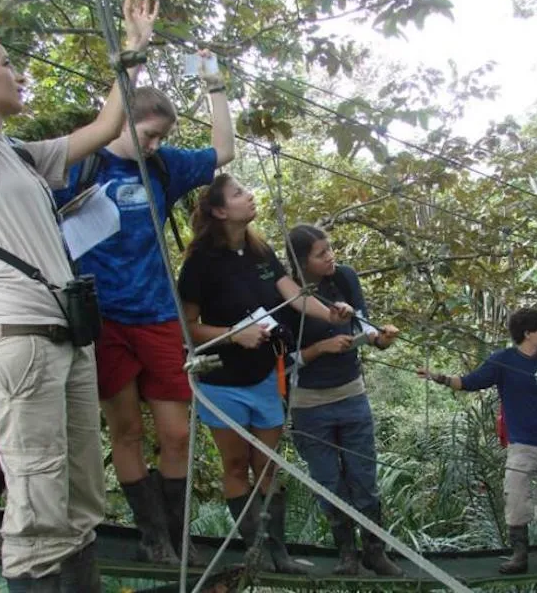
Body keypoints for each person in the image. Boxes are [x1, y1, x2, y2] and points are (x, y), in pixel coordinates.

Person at [0, 0, 158, 589]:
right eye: (6, 65)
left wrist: (133, 51)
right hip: (17, 338)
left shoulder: (19, 155)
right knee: (39, 511)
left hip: (66, 341)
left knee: (79, 501)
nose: (19, 74)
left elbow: (104, 127)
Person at [53, 74, 234, 566]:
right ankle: (154, 538)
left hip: (157, 313)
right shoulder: (78, 164)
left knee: (177, 433)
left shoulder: (162, 166)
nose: (154, 144)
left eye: (160, 137)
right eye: (147, 134)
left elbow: (223, 151)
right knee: (126, 429)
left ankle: (177, 535)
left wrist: (215, 87)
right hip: (103, 318)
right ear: (120, 122)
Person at [177, 175, 352, 573]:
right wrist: (232, 334)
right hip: (222, 382)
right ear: (221, 211)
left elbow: (294, 294)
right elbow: (185, 328)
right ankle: (255, 550)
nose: (249, 195)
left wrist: (332, 314)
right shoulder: (199, 263)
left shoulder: (259, 250)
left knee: (268, 467)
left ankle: (280, 553)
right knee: (236, 466)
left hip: (264, 377)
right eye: (239, 193)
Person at [421, 308, 537, 574]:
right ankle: (519, 556)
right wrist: (437, 376)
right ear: (528, 333)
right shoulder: (502, 360)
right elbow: (468, 382)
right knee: (517, 498)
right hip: (522, 444)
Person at [285, 224, 402, 577]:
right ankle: (346, 554)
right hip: (308, 405)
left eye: (330, 249)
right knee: (328, 482)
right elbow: (281, 358)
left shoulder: (345, 278)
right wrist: (319, 349)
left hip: (351, 395)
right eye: (321, 254)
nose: (330, 256)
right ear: (301, 262)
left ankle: (374, 551)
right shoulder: (288, 296)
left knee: (364, 476)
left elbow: (362, 325)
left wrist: (380, 338)